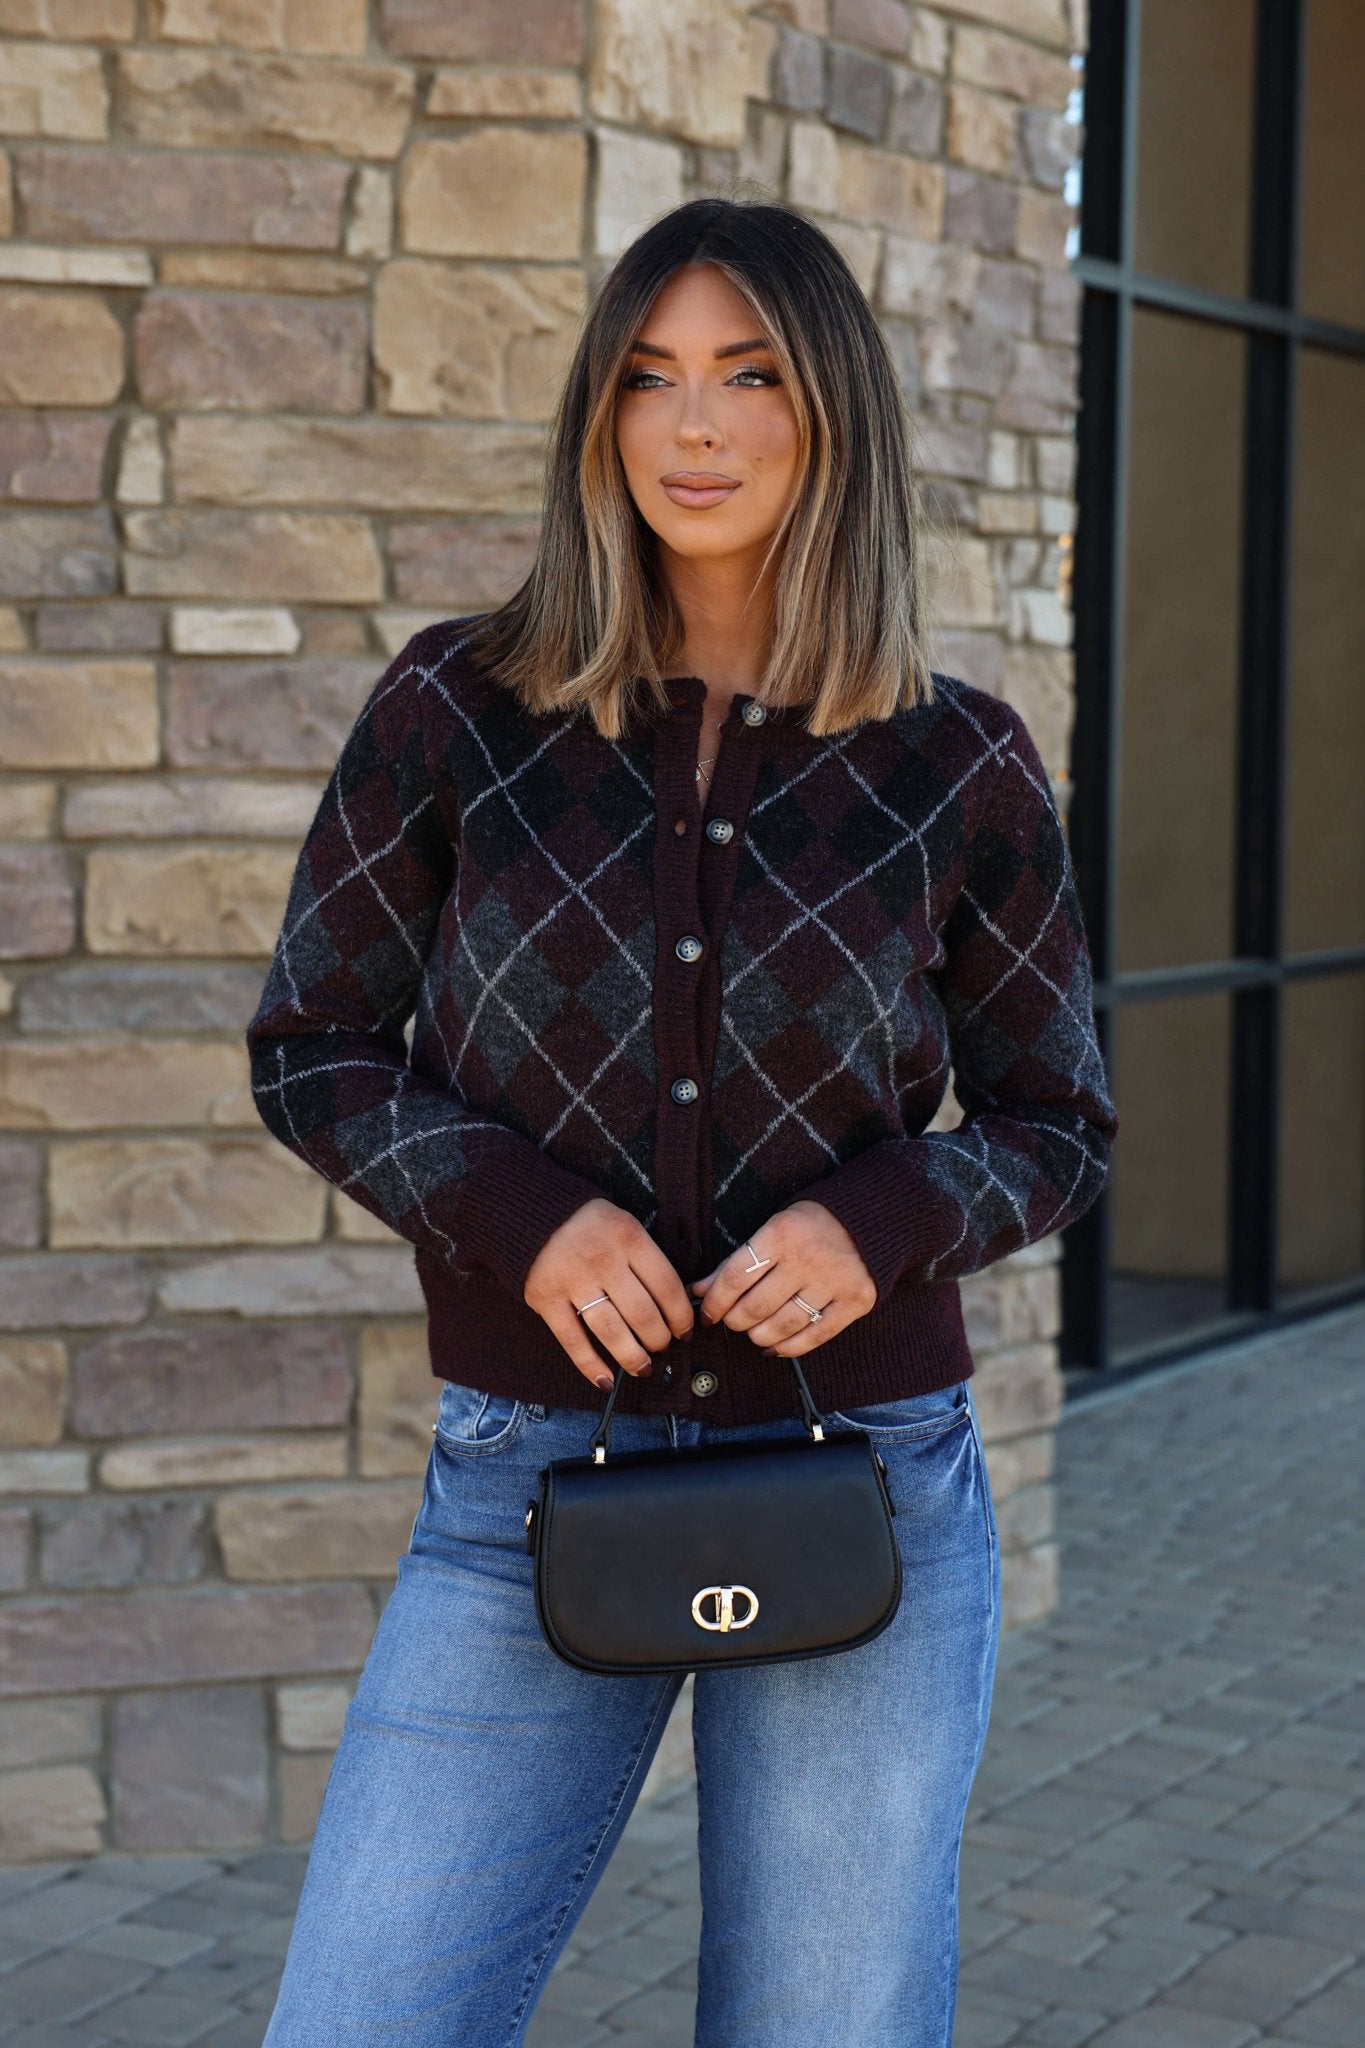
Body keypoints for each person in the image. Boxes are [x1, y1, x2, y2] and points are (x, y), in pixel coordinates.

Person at [248, 196, 1119, 2048]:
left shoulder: (954, 758)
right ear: (598, 418)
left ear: (833, 419)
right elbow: (312, 1041)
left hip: (865, 1468)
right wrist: (519, 1217)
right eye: (646, 380)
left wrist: (884, 1219)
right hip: (525, 1470)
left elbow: (1056, 1118)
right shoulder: (455, 710)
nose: (691, 428)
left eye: (747, 377)